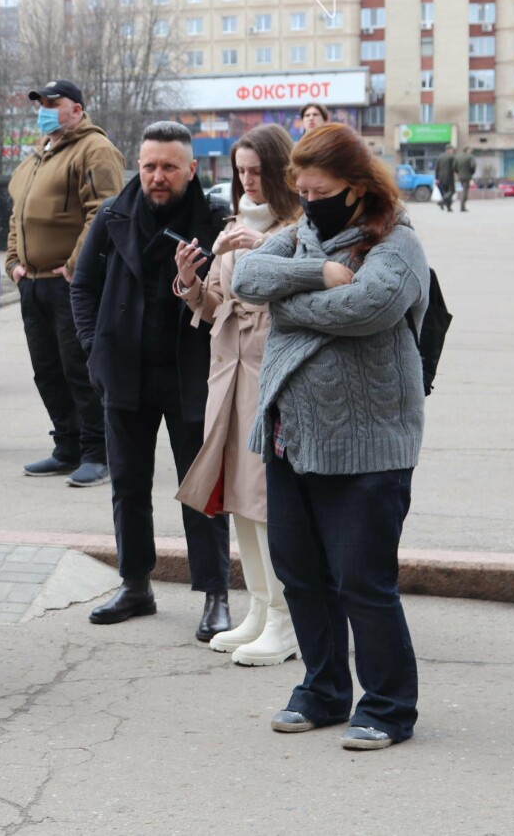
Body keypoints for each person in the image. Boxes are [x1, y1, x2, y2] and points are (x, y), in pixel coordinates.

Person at [233, 122, 429, 751]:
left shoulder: (396, 241)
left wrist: (287, 305)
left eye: (320, 190)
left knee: (362, 582)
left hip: (369, 446)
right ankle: (323, 691)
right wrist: (318, 274)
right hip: (293, 437)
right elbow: (244, 278)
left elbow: (369, 308)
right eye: (302, 188)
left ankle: (389, 706)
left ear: (355, 186)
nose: (309, 199)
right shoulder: (303, 238)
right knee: (303, 576)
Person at [69, 121, 232, 641]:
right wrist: (95, 350)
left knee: (201, 489)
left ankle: (215, 593)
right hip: (124, 371)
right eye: (148, 166)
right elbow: (83, 285)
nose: (157, 177)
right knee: (128, 485)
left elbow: (229, 300)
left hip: (192, 374)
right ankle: (135, 584)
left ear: (190, 169)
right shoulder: (116, 213)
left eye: (168, 167)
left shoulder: (213, 220)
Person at [173, 125, 301, 667]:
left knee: (267, 500)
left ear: (280, 173)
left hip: (271, 377)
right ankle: (259, 606)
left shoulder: (300, 227)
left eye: (257, 171)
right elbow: (215, 306)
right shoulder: (233, 224)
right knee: (237, 501)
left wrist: (267, 249)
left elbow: (308, 291)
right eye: (241, 171)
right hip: (227, 376)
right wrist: (189, 282)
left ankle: (286, 619)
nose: (248, 181)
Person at [6, 79, 124, 485]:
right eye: (40, 102)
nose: (44, 108)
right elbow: (15, 215)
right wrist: (13, 263)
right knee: (47, 369)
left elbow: (104, 212)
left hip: (69, 283)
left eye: (53, 103)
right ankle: (67, 447)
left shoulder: (95, 149)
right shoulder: (37, 156)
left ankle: (98, 451)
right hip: (33, 283)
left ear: (76, 109)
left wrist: (76, 265)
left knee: (79, 368)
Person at [453, 145, 476, 212]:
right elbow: (473, 166)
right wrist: (471, 173)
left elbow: (454, 167)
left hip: (460, 176)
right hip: (467, 176)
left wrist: (458, 172)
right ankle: (462, 207)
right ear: (467, 150)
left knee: (464, 189)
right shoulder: (470, 157)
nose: (471, 151)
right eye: (470, 150)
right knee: (465, 191)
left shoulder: (458, 156)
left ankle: (462, 206)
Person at [434, 145, 456, 212]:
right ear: (449, 150)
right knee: (451, 191)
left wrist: (437, 178)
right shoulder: (452, 157)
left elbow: (436, 168)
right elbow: (454, 166)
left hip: (441, 178)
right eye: (452, 150)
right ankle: (442, 202)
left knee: (445, 193)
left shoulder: (440, 157)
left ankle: (448, 208)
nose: (453, 151)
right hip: (449, 177)